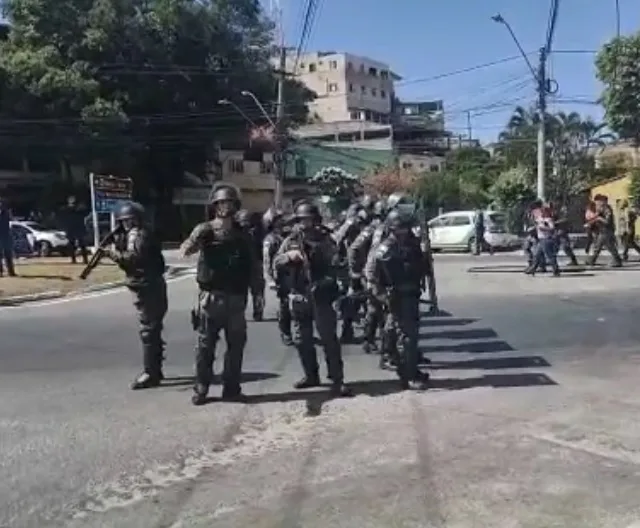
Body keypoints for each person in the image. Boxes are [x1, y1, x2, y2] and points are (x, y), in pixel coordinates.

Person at [179, 184, 259, 405]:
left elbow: (253, 265)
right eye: (222, 203)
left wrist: (258, 292)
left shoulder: (242, 234)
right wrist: (193, 243)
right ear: (214, 206)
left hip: (236, 298)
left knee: (236, 346)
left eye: (229, 203)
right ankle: (202, 387)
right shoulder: (205, 229)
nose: (225, 207)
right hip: (211, 297)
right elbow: (186, 247)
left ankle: (231, 387)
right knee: (205, 347)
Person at [273, 201, 352, 397]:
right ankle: (311, 375)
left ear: (315, 219)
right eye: (301, 220)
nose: (304, 223)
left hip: (322, 295)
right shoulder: (290, 241)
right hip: (300, 294)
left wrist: (335, 285)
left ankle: (337, 378)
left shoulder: (326, 240)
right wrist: (288, 257)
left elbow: (339, 265)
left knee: (328, 339)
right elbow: (276, 261)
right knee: (302, 340)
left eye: (308, 219)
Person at [105, 202, 168, 389]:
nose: (127, 225)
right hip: (149, 285)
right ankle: (155, 369)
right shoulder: (142, 233)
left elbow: (132, 259)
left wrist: (113, 253)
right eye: (124, 222)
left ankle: (151, 372)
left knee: (149, 330)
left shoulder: (138, 235)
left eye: (129, 221)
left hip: (147, 286)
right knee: (152, 329)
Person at [370, 209, 428, 390]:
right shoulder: (386, 248)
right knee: (407, 337)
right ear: (392, 229)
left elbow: (421, 267)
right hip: (396, 295)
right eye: (399, 229)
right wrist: (380, 294)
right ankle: (408, 375)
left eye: (405, 229)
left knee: (397, 333)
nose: (404, 233)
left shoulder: (412, 244)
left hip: (411, 294)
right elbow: (374, 272)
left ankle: (406, 368)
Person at [262, 207, 292, 345]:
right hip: (281, 276)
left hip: (294, 274)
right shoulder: (270, 240)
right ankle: (285, 332)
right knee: (285, 306)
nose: (282, 222)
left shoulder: (288, 235)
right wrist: (270, 280)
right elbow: (267, 260)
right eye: (278, 220)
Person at [236, 209, 265, 321]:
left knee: (255, 292)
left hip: (253, 265)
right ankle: (252, 312)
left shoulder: (256, 234)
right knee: (242, 292)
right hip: (245, 266)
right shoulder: (238, 235)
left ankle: (256, 312)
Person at [60, 196, 89, 265]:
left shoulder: (79, 208)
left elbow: (84, 213)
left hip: (78, 227)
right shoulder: (67, 208)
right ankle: (74, 259)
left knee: (81, 244)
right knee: (72, 244)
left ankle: (84, 259)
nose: (71, 201)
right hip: (72, 227)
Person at [0, 196, 16, 277]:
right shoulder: (5, 212)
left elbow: (11, 221)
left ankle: (10, 271)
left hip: (5, 235)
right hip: (3, 235)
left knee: (8, 254)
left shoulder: (6, 212)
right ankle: (2, 272)